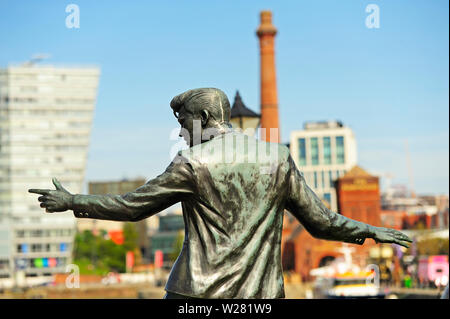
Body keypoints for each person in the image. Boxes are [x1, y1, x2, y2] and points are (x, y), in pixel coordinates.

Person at [29, 88, 412, 299]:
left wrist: (73, 201)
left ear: (205, 121)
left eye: (183, 125)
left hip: (194, 295)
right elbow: (321, 222)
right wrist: (368, 230)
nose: (181, 134)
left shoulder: (191, 163)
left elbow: (132, 207)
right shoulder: (278, 159)